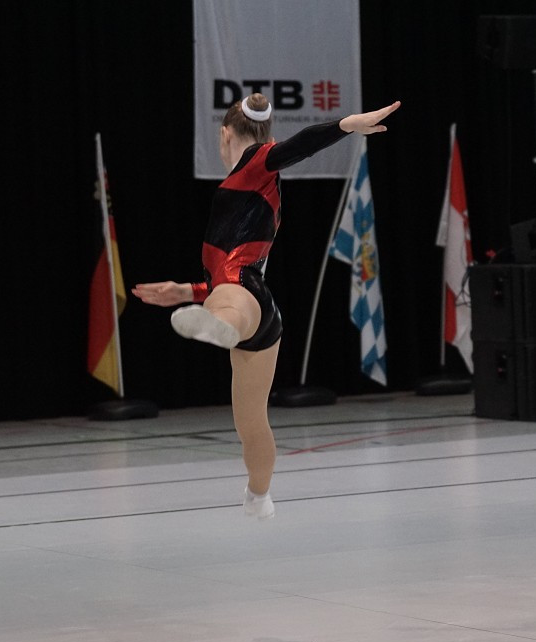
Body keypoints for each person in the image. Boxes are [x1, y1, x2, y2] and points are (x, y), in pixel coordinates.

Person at [134, 94, 401, 519]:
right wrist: (186, 291)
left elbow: (300, 146)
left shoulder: (255, 162)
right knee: (251, 424)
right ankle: (259, 496)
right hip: (258, 308)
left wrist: (346, 124)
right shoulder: (260, 185)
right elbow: (224, 275)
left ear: (225, 134)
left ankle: (220, 325)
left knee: (231, 309)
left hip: (240, 293)